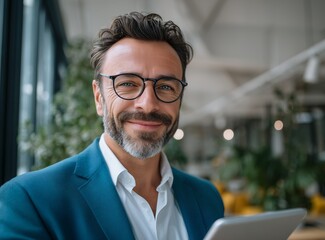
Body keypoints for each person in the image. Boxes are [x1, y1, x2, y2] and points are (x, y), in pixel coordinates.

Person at [0, 12, 224, 239]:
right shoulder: (30, 200)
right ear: (99, 97)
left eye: (166, 87)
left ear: (180, 98)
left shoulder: (207, 198)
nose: (147, 104)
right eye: (127, 83)